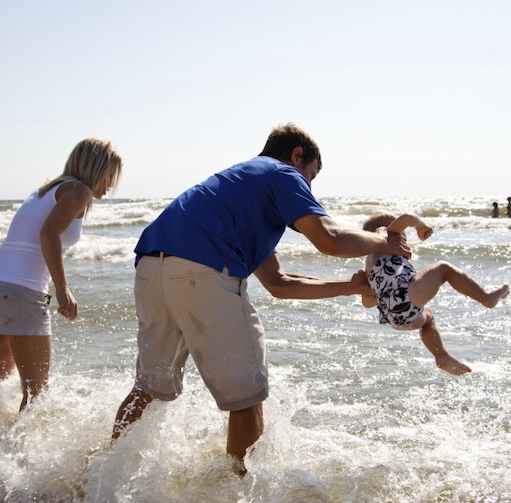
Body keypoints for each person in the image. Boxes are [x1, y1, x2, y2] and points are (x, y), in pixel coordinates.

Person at [111, 123, 410, 474]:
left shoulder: (237, 190)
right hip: (201, 271)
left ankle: (104, 479)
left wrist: (353, 285)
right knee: (247, 399)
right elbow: (329, 239)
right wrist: (385, 243)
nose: (308, 187)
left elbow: (279, 283)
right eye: (310, 176)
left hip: (150, 271)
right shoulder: (282, 172)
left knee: (147, 388)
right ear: (297, 155)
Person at [0, 138, 122, 411]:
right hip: (19, 291)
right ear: (96, 169)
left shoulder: (47, 189)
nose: (111, 185)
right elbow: (48, 234)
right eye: (110, 176)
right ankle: (16, 454)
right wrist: (63, 288)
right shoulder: (79, 191)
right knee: (36, 392)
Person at [360, 211, 510, 375]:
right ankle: (485, 298)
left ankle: (441, 355)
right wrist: (419, 226)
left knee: (428, 319)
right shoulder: (387, 236)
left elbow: (367, 303)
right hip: (405, 296)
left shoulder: (368, 263)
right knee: (443, 268)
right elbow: (407, 218)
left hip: (393, 318)